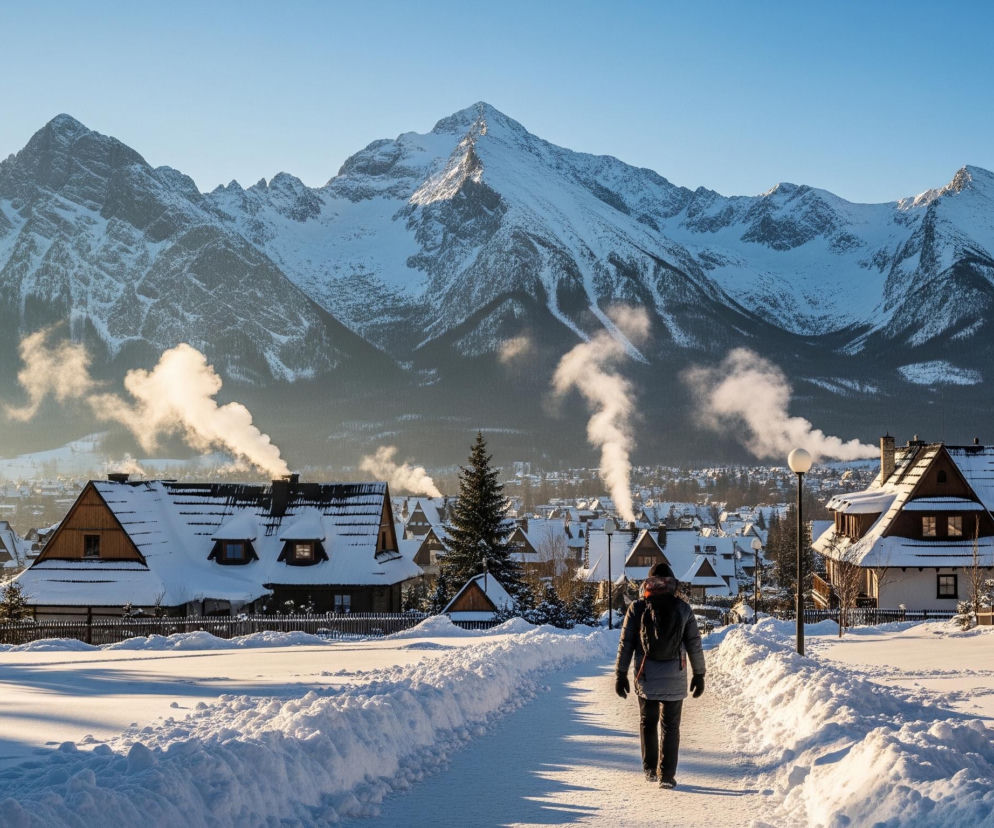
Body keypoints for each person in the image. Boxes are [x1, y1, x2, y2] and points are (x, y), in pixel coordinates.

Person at [614, 562, 705, 789]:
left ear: (648, 583)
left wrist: (621, 674)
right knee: (670, 726)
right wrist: (699, 674)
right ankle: (667, 775)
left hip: (646, 676)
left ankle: (649, 769)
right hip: (675, 676)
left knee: (648, 722)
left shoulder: (637, 608)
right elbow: (694, 644)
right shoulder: (683, 608)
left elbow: (626, 644)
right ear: (673, 583)